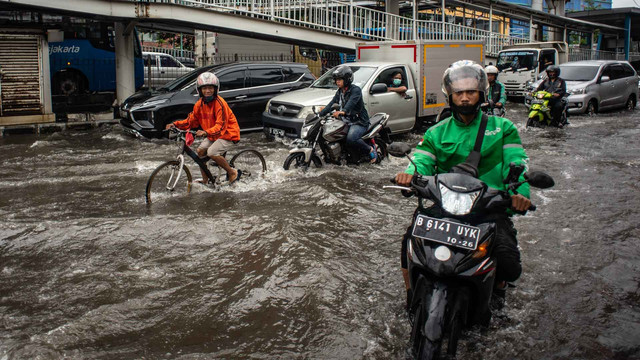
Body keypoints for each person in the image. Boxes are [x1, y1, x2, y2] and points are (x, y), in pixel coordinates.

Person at [394, 60, 532, 310]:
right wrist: (409, 176)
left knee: (509, 263)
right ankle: (410, 297)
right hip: (445, 205)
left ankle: (497, 292)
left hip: (488, 206)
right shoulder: (437, 132)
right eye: (459, 93)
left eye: (471, 92)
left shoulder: (503, 128)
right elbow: (422, 162)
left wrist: (519, 192)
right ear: (451, 95)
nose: (465, 98)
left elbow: (516, 163)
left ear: (481, 93)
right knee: (409, 244)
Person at [165, 72, 241, 184]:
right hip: (212, 134)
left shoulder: (220, 104)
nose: (208, 91)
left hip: (228, 134)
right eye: (204, 88)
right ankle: (206, 179)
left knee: (211, 152)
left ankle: (232, 172)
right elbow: (191, 121)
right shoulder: (199, 104)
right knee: (200, 151)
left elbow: (221, 127)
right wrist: (175, 124)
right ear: (200, 90)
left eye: (210, 88)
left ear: (216, 89)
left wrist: (205, 132)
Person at [319, 65, 376, 163]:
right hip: (345, 121)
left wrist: (343, 111)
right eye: (336, 79)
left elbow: (351, 103)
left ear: (347, 79)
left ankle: (370, 149)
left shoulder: (356, 90)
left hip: (358, 122)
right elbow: (332, 103)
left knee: (351, 138)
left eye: (340, 79)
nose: (337, 82)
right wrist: (320, 114)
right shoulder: (340, 91)